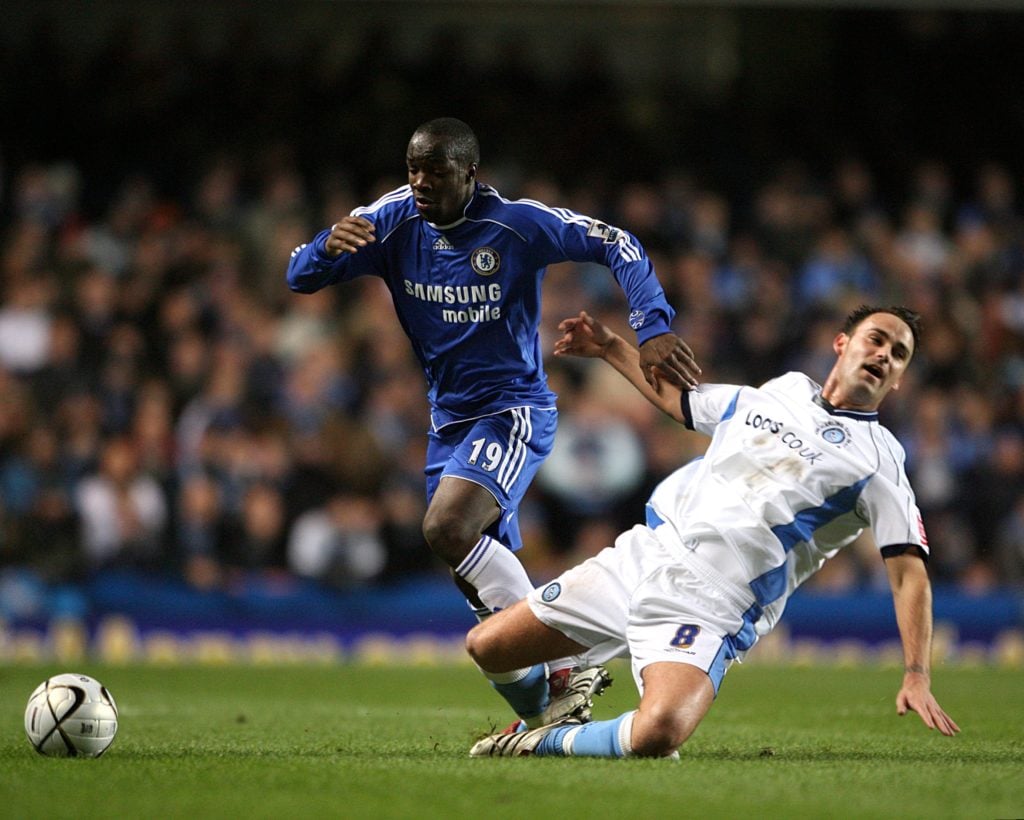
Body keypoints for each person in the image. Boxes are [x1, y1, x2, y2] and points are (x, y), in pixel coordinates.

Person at [286, 117, 700, 728]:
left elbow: (617, 241)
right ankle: (547, 712)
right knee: (489, 610)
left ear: (470, 173)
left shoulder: (517, 225)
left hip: (512, 410)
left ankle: (565, 665)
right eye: (413, 168)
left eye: (437, 170)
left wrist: (654, 325)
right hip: (448, 423)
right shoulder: (392, 219)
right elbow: (300, 277)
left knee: (447, 527)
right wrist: (324, 245)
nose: (421, 181)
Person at [466, 305, 960, 758]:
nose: (884, 356)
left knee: (658, 731)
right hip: (646, 555)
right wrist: (610, 347)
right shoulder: (783, 390)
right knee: (487, 646)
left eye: (899, 355)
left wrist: (917, 673)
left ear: (898, 381)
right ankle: (554, 707)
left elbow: (908, 574)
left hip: (712, 603)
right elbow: (685, 403)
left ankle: (537, 744)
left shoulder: (879, 462)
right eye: (876, 339)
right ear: (841, 343)